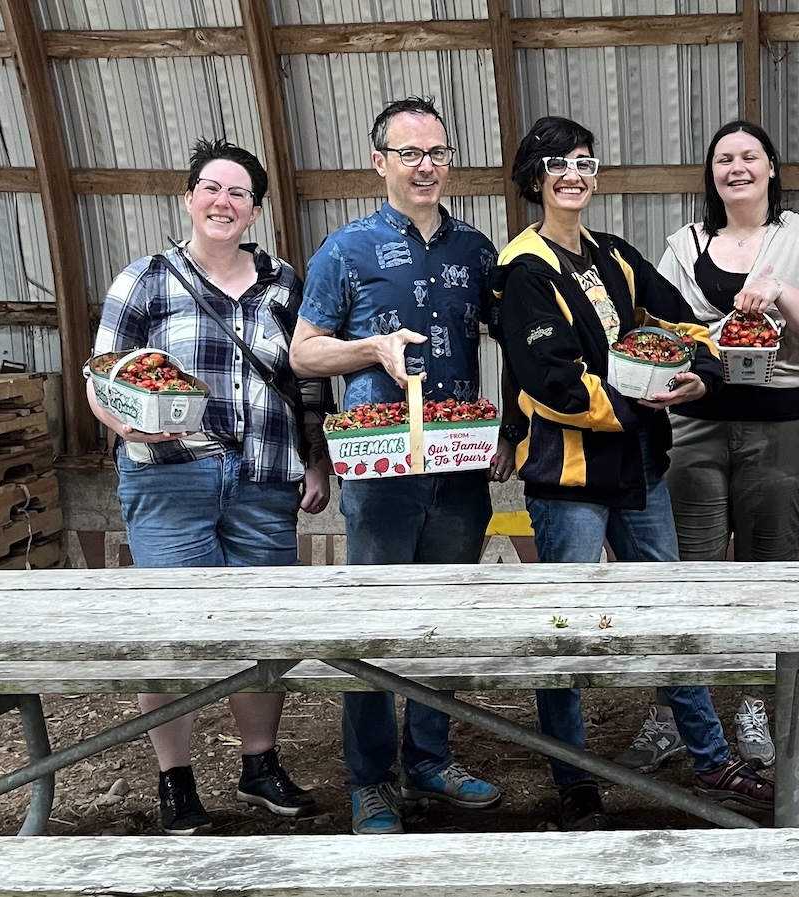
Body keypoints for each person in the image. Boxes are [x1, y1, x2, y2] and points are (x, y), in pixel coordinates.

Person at [490, 115, 775, 830]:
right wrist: (644, 400)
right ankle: (575, 780)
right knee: (567, 634)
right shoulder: (521, 268)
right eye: (558, 163)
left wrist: (701, 375)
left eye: (586, 162)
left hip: (642, 469)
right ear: (534, 177)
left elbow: (683, 323)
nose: (574, 174)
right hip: (569, 482)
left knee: (671, 616)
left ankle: (709, 757)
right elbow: (552, 382)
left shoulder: (612, 255)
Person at [87, 137, 330, 835]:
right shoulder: (146, 279)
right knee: (171, 633)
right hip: (171, 478)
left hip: (263, 478)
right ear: (189, 198)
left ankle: (259, 765)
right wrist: (129, 427)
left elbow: (306, 381)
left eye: (238, 193)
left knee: (261, 632)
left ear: (254, 211)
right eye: (211, 189)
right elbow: (101, 374)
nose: (223, 202)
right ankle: (176, 779)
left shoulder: (284, 283)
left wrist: (314, 457)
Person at [290, 96, 507, 835]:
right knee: (375, 619)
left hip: (458, 463)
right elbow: (304, 350)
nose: (426, 165)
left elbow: (516, 336)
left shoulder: (476, 250)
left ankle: (430, 757)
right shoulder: (343, 250)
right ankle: (370, 778)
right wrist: (371, 350)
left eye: (438, 152)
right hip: (380, 467)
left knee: (442, 619)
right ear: (379, 161)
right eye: (410, 152)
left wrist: (518, 423)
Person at [604, 120, 799, 773]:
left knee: (767, 574)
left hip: (784, 428)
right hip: (693, 427)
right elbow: (654, 328)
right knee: (690, 575)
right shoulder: (683, 245)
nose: (736, 167)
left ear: (771, 166)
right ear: (711, 173)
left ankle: (751, 701)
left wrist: (780, 294)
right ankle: (674, 712)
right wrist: (672, 371)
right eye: (724, 158)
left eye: (749, 156)